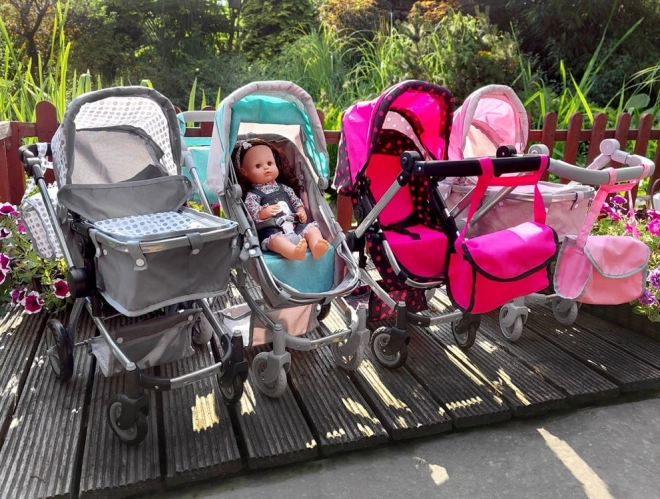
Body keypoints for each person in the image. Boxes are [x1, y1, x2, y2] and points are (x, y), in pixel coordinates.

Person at [233, 138, 330, 260]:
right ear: (244, 172)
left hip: (295, 227)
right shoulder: (253, 195)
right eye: (258, 166)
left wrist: (300, 211)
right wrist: (263, 212)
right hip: (272, 231)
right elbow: (252, 212)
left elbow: (296, 201)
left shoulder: (285, 188)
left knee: (313, 229)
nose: (266, 168)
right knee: (276, 241)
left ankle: (316, 246)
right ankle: (293, 252)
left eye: (269, 163)